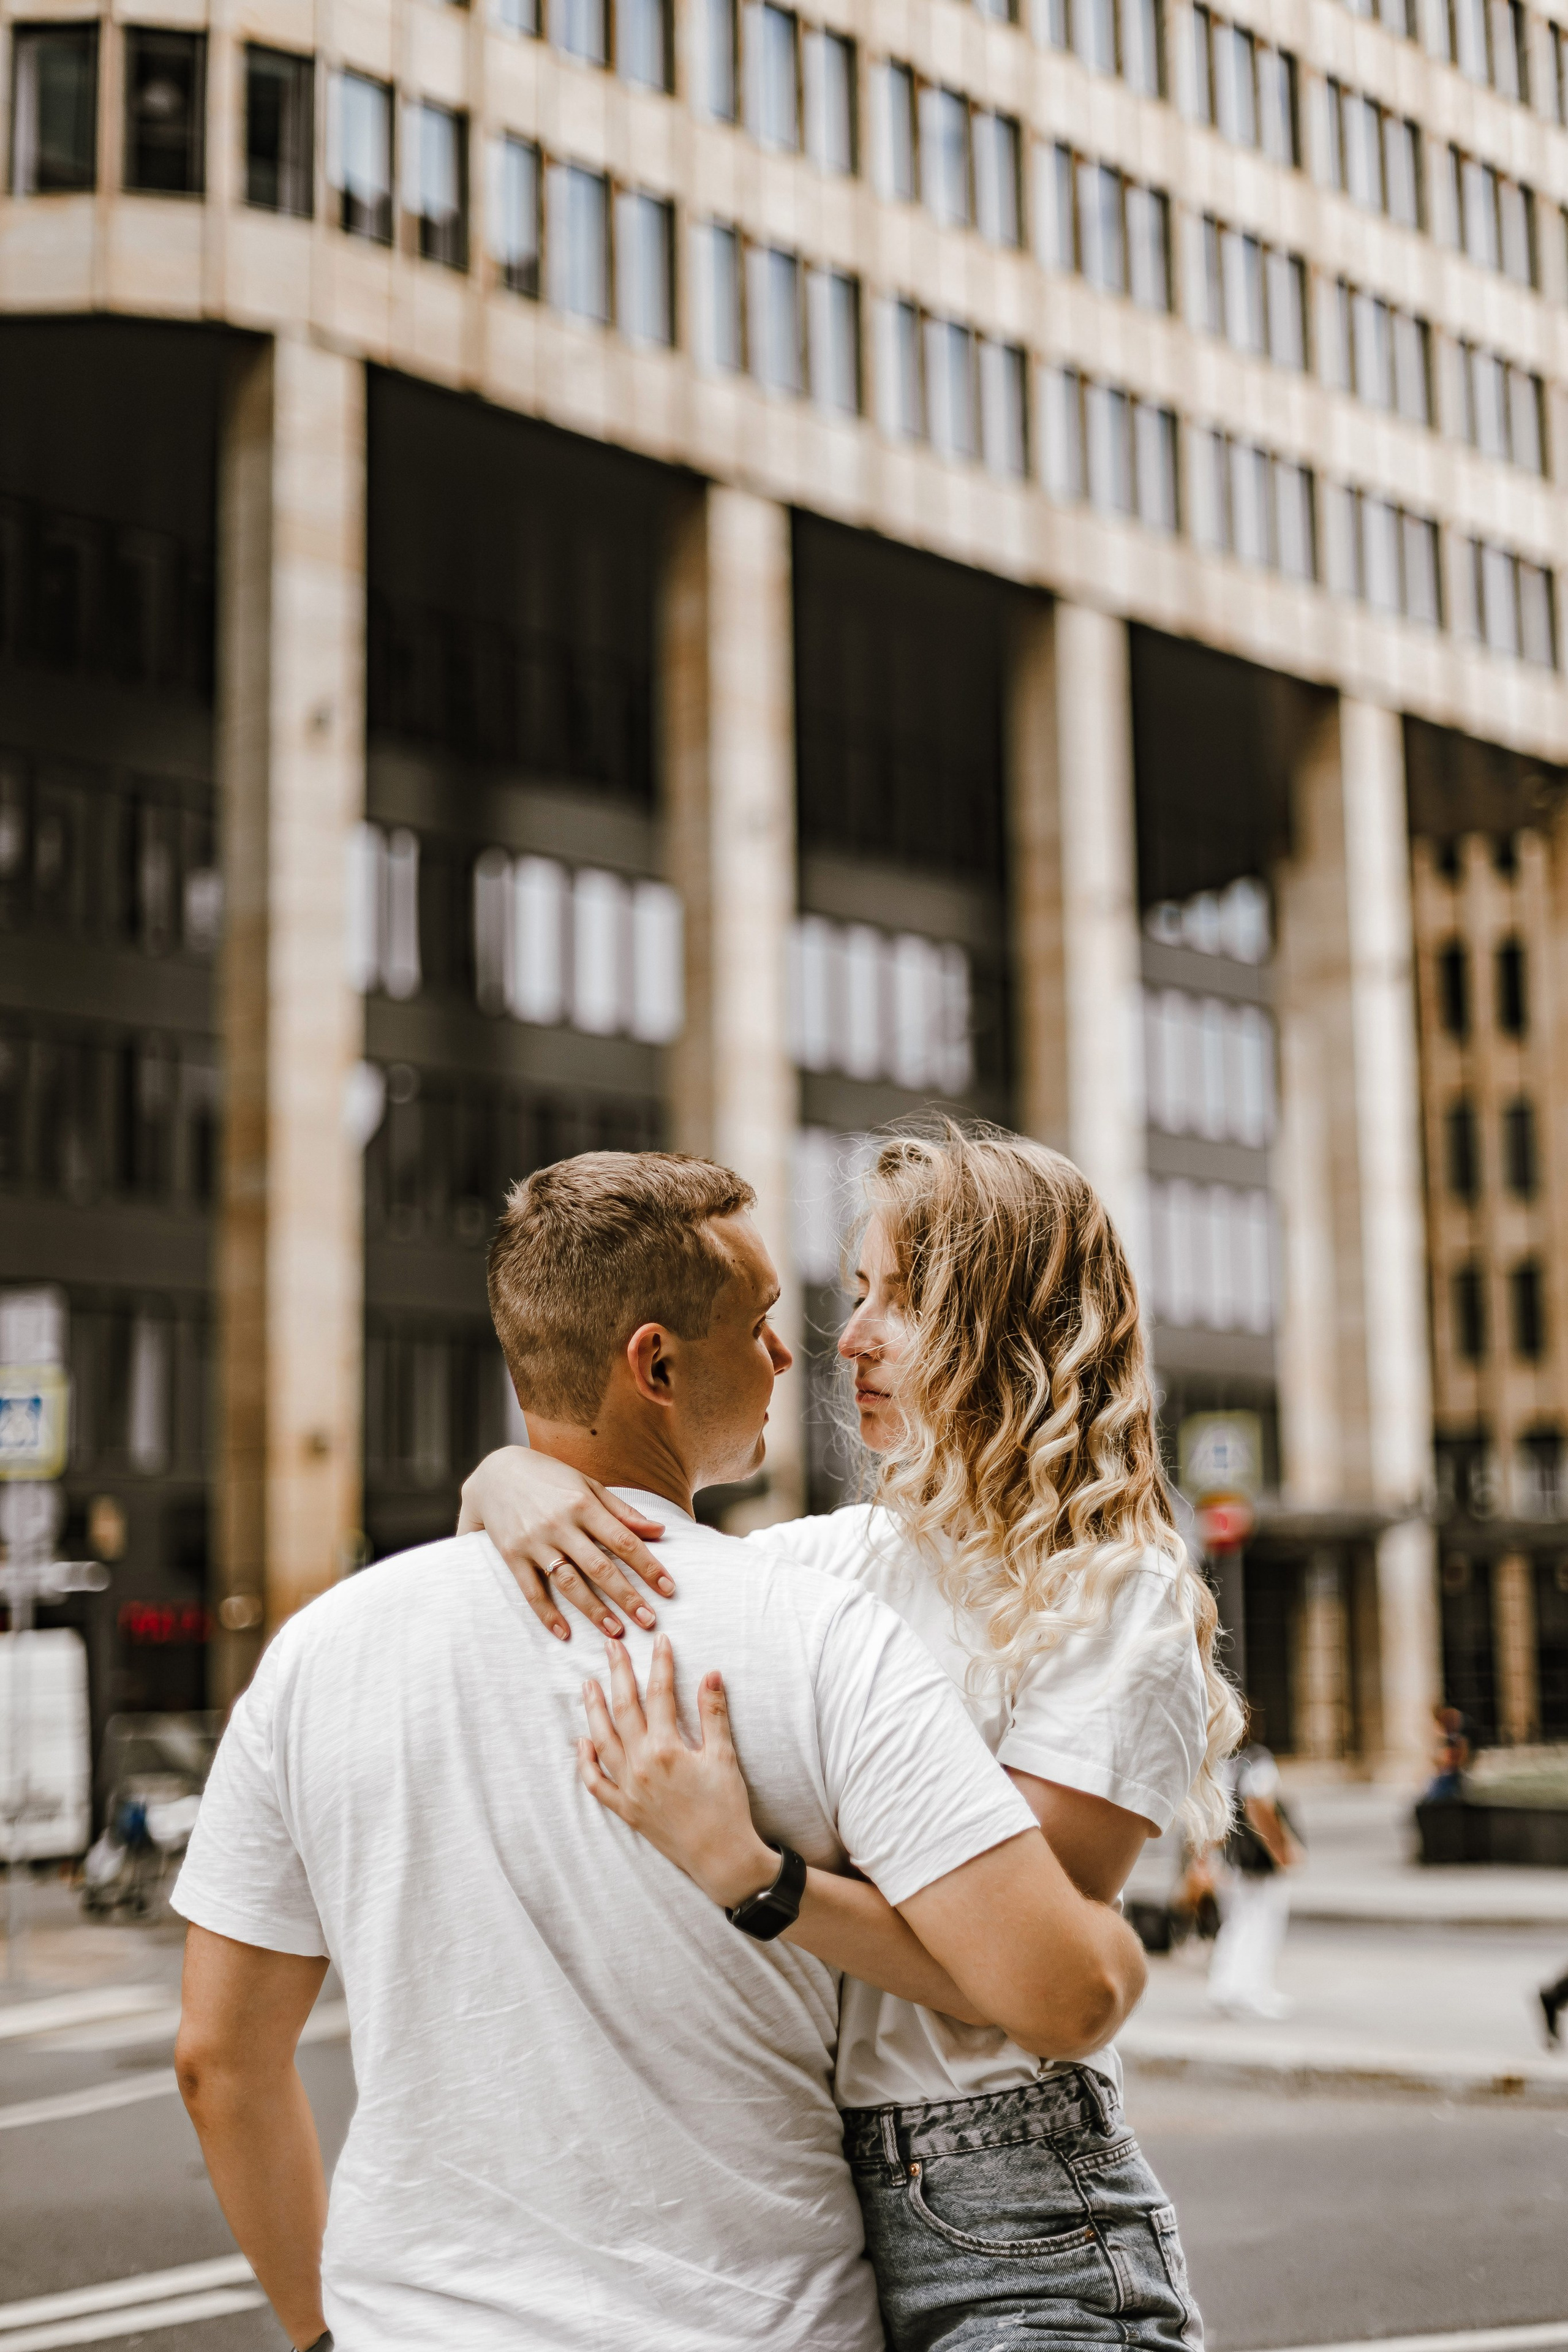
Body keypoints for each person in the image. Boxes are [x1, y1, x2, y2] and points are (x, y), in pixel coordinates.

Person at [172, 1152, 1148, 2352]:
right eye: (763, 1324)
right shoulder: (814, 1628)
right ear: (657, 1363)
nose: (796, 1356)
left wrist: (322, 2335)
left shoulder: (318, 1654)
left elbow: (217, 2063)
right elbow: (1063, 1989)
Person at [459, 1123, 1240, 2351]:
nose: (851, 1336)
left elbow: (1026, 1987)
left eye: (903, 1300)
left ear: (1012, 1329)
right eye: (858, 1292)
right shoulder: (836, 1561)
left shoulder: (1111, 1593)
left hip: (1013, 2197)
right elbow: (615, 1546)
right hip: (801, 2189)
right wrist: (507, 1475)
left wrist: (753, 1879)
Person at [1205, 1725, 1302, 2022]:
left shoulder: (1225, 1764)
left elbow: (1216, 1815)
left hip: (1233, 1860)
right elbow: (1260, 1806)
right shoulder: (1259, 1761)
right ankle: (1253, 1990)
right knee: (1263, 1923)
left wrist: (1211, 1857)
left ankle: (1226, 1986)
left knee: (1237, 1923)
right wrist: (1282, 1852)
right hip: (1256, 1862)